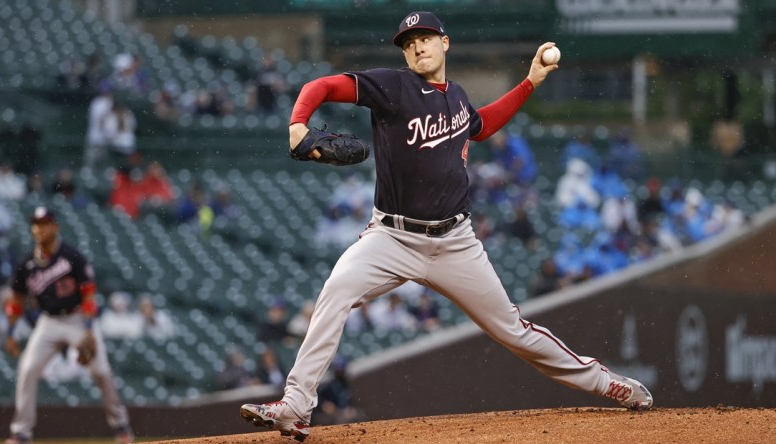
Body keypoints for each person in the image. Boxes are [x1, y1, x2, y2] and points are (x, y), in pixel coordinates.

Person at [240, 11, 653, 442]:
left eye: (424, 38)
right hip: (392, 237)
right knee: (335, 292)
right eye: (408, 42)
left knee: (513, 330)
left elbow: (481, 125)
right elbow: (321, 86)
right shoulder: (393, 86)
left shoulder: (456, 96)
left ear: (445, 43)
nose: (416, 46)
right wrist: (297, 124)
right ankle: (296, 405)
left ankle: (608, 383)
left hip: (456, 242)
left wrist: (530, 82)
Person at [3, 207, 133, 444]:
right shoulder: (27, 264)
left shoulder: (72, 256)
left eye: (44, 223)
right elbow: (16, 301)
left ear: (56, 226)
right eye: (36, 224)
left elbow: (89, 295)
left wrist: (89, 329)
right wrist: (11, 332)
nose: (39, 228)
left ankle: (121, 426)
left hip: (77, 318)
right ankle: (21, 433)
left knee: (101, 372)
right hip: (49, 322)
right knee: (27, 369)